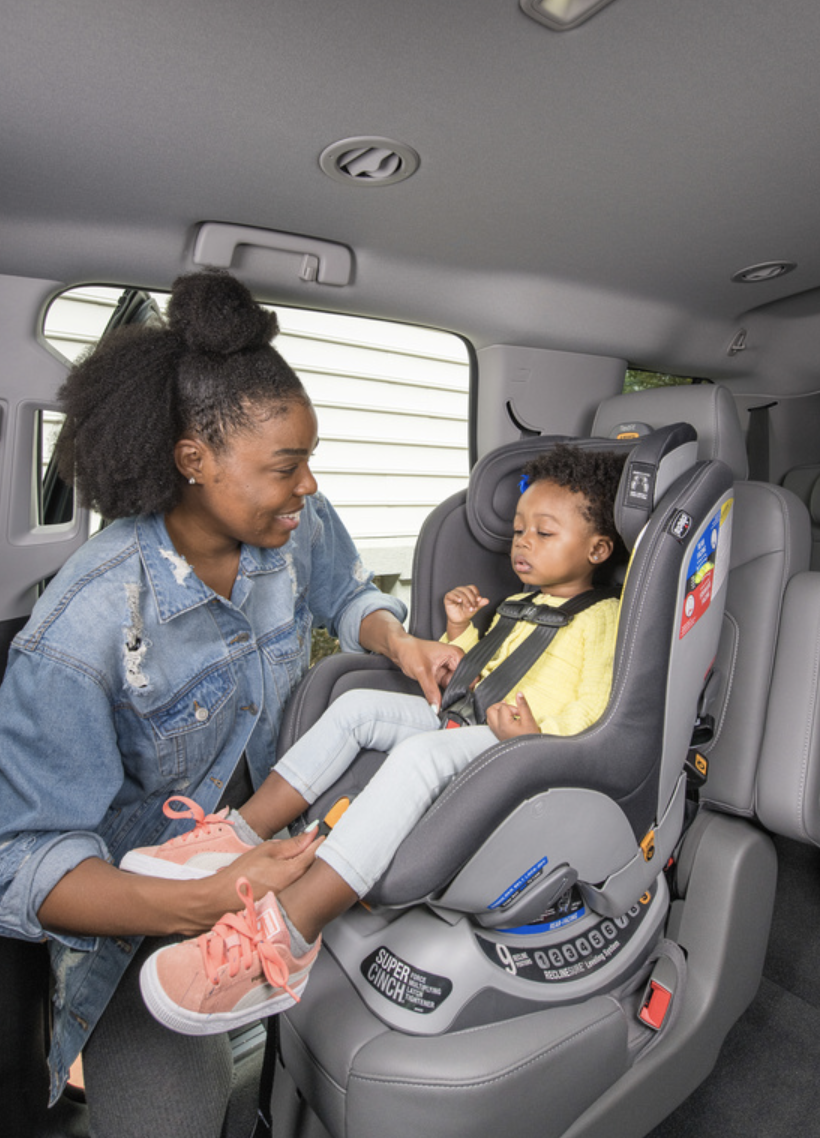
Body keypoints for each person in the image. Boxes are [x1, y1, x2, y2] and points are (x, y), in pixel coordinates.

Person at [0, 269, 461, 1138]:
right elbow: (23, 864)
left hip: (280, 867)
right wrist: (204, 898)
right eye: (286, 466)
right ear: (194, 460)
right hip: (147, 917)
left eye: (310, 461)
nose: (310, 487)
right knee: (176, 1119)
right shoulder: (84, 628)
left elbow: (348, 589)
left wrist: (397, 640)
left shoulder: (289, 531)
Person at [128, 445, 627, 1037]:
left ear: (597, 550)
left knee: (417, 756)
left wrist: (539, 736)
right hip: (467, 718)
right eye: (519, 530)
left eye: (544, 533)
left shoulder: (603, 617)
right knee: (358, 706)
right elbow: (473, 672)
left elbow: (598, 703)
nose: (522, 543)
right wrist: (460, 633)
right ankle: (238, 835)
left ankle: (290, 933)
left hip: (520, 749)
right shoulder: (520, 605)